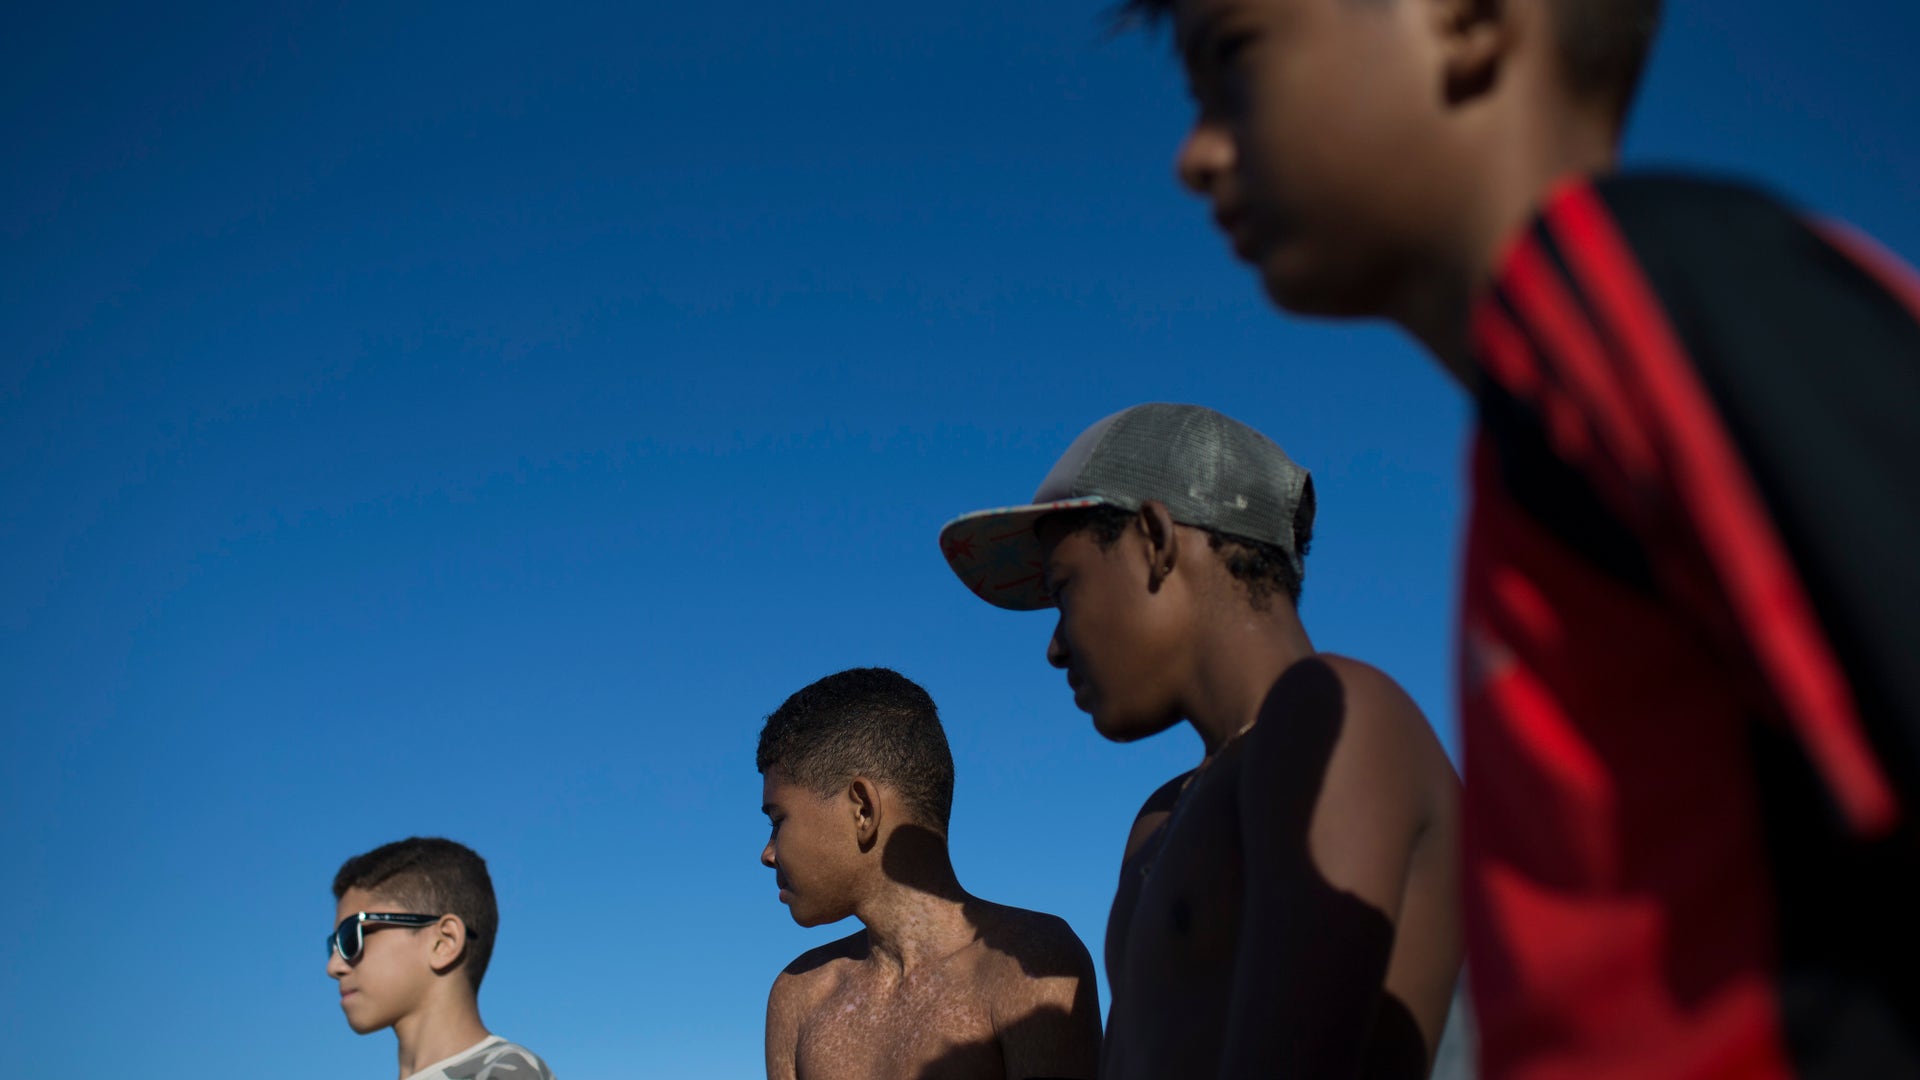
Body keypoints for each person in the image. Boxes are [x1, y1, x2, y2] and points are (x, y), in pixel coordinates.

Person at [1119, 0, 1920, 1076]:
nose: (1193, 154)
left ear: (1468, 22)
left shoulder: (1636, 300)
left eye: (1232, 63)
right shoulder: (1531, 431)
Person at [940, 402, 1461, 1079]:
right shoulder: (1161, 820)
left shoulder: (1338, 715)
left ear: (1155, 539)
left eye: (1064, 589)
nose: (1055, 647)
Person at [757, 667, 1103, 1080]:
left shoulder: (1025, 967)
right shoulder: (800, 995)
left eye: (778, 819)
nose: (768, 853)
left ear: (863, 810)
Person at [327, 837, 556, 1080]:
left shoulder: (504, 1073)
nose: (334, 966)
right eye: (333, 946)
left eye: (351, 936)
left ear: (443, 942)